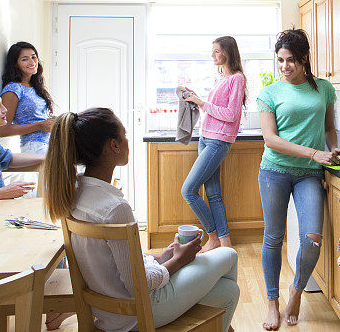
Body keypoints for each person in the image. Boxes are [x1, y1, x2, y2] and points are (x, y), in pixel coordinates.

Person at [43, 108, 240, 332]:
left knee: (229, 292)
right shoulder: (115, 209)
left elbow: (116, 263)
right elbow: (141, 285)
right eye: (124, 135)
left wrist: (163, 255)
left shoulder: (75, 192)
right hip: (135, 314)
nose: (127, 141)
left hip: (106, 311)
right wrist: (179, 260)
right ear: (114, 145)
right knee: (229, 254)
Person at [256, 29, 340, 330]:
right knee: (273, 237)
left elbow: (330, 127)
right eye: (280, 60)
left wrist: (332, 149)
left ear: (304, 58)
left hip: (309, 174)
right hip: (275, 171)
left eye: (290, 60)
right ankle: (271, 303)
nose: (285, 66)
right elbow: (271, 140)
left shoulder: (324, 89)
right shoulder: (269, 93)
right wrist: (314, 153)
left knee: (313, 238)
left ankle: (296, 291)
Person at [181, 36, 247, 252]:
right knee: (213, 193)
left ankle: (213, 236)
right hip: (206, 138)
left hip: (219, 141)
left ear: (228, 53)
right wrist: (197, 100)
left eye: (217, 51)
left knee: (189, 190)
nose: (213, 55)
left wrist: (202, 102)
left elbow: (231, 114)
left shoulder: (237, 79)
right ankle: (225, 243)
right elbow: (215, 109)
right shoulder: (221, 78)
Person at [0, 41, 55, 154]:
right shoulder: (13, 89)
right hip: (33, 147)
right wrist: (40, 125)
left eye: (33, 57)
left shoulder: (35, 87)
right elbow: (3, 130)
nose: (32, 62)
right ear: (15, 64)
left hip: (49, 144)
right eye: (24, 59)